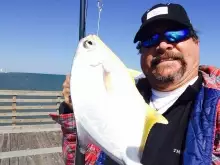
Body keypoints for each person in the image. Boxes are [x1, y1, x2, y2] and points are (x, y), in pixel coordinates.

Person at [50, 3, 220, 165]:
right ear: (141, 53)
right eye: (150, 39)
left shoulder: (216, 105)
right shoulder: (124, 92)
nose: (162, 45)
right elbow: (84, 159)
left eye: (176, 34)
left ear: (196, 42)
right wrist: (75, 110)